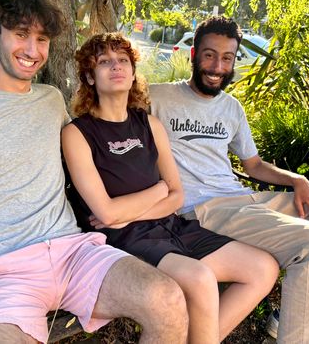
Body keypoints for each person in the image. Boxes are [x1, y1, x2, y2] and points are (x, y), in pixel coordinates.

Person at [0, 0, 189, 344]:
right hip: (3, 272)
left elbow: (97, 148)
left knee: (167, 299)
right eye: (21, 34)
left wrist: (135, 198)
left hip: (75, 253)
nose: (32, 50)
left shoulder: (51, 99)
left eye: (42, 39)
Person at [149, 16, 309, 344]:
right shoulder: (158, 97)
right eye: (210, 55)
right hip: (206, 209)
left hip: (247, 200)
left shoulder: (232, 108)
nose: (217, 67)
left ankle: (301, 318)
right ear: (194, 54)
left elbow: (253, 164)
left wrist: (298, 180)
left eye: (227, 58)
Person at [62, 32, 279, 343]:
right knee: (200, 278)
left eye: (123, 60)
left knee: (262, 268)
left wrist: (136, 208)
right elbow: (106, 215)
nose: (116, 66)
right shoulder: (78, 133)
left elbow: (177, 196)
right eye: (104, 62)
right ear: (89, 77)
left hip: (170, 225)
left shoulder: (150, 125)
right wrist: (157, 190)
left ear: (133, 72)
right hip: (124, 239)